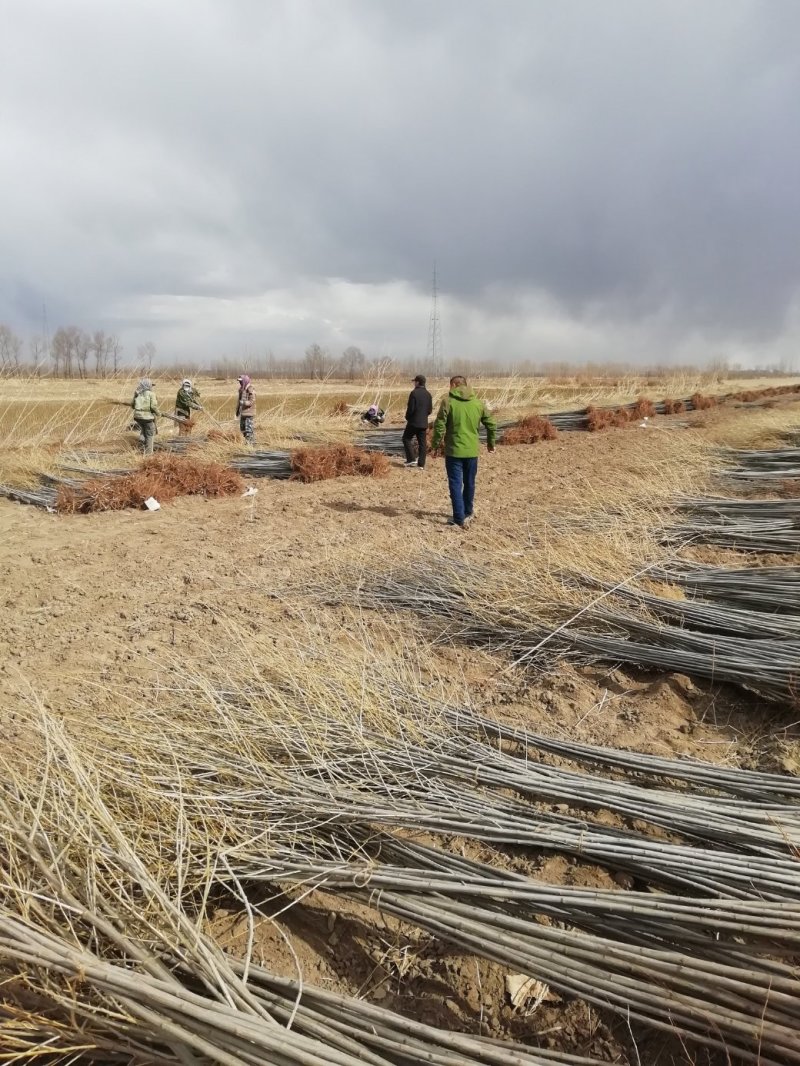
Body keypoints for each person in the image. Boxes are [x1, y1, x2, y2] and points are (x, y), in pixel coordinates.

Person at [430, 375, 497, 528]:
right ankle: (468, 512)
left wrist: (434, 446)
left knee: (455, 483)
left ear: (454, 385)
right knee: (469, 482)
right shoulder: (478, 403)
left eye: (450, 385)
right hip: (472, 451)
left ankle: (459, 518)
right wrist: (490, 444)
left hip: (454, 451)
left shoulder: (448, 402)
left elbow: (440, 426)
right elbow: (492, 424)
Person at [402, 374, 433, 469]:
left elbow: (411, 409)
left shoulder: (414, 393)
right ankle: (421, 464)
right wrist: (423, 417)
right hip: (423, 423)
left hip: (413, 422)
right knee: (422, 443)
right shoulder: (428, 394)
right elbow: (429, 410)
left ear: (418, 382)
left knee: (406, 438)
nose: (414, 383)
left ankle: (411, 460)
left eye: (414, 381)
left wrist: (407, 417)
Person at [131, 378, 161, 456]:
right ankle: (148, 455)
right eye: (151, 385)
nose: (152, 387)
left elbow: (133, 405)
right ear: (149, 386)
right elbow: (153, 406)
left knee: (144, 429)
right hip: (147, 417)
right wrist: (159, 413)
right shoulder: (151, 394)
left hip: (138, 417)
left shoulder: (137, 393)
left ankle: (141, 444)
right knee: (150, 434)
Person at [236, 374, 256, 443]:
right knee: (242, 429)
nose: (240, 383)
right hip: (243, 414)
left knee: (249, 430)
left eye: (241, 381)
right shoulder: (241, 390)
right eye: (239, 381)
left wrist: (243, 403)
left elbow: (251, 402)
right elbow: (238, 402)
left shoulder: (250, 389)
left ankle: (251, 444)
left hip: (249, 414)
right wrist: (237, 411)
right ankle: (246, 443)